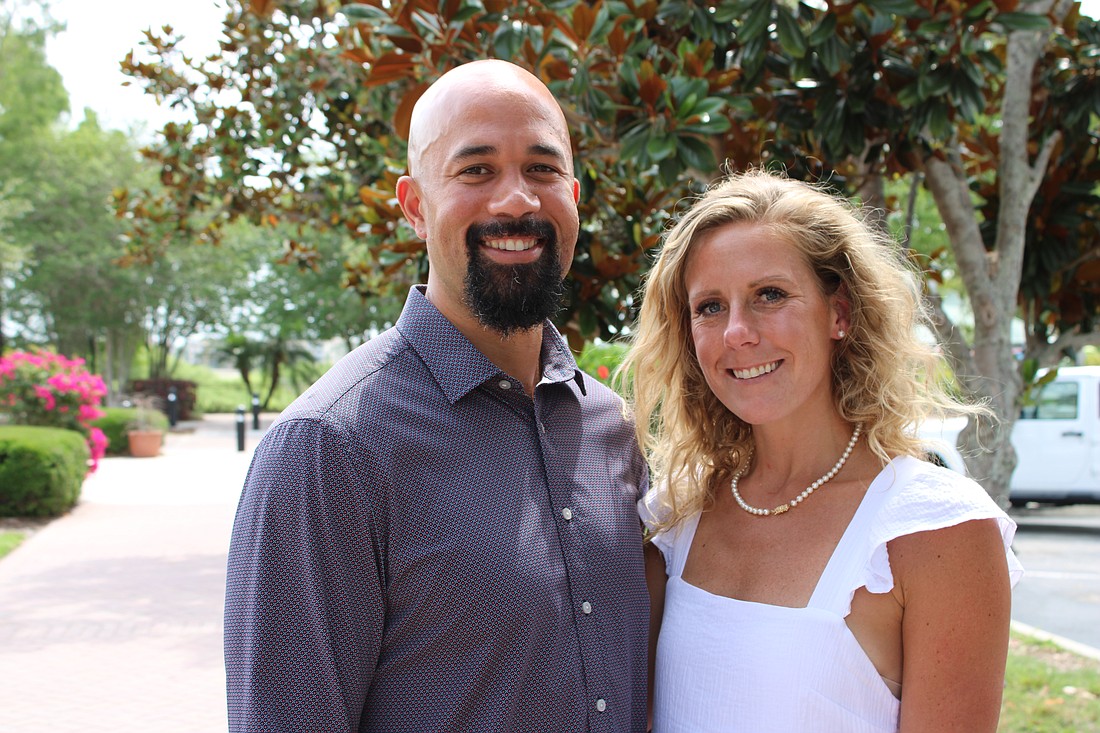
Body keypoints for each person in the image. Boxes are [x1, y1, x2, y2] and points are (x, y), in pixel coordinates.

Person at [223, 60, 649, 733]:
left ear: (573, 195)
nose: (516, 200)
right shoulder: (327, 451)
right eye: (476, 170)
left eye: (541, 170)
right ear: (415, 206)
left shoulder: (616, 431)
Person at [624, 169, 1023, 732]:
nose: (738, 331)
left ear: (840, 313)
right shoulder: (672, 517)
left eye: (770, 295)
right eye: (710, 306)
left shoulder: (936, 530)